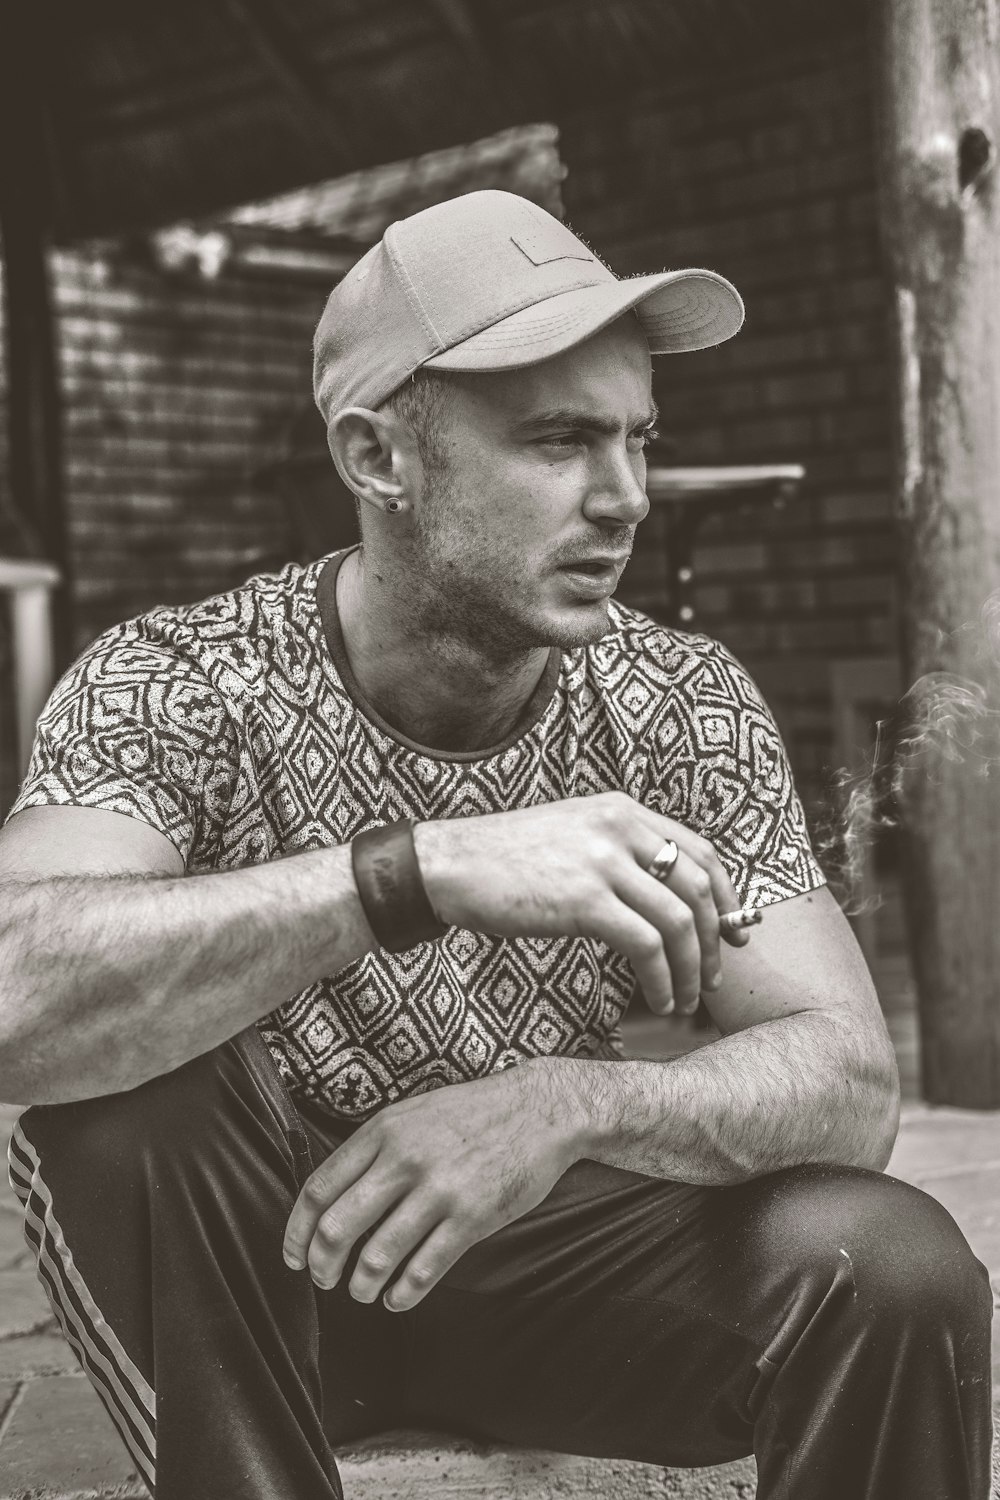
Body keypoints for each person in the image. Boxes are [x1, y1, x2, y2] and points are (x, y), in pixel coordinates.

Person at [0, 190, 991, 1500]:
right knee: (137, 1093)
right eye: (562, 440)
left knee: (897, 1267)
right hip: (251, 1280)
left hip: (536, 1254)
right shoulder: (183, 680)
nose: (627, 497)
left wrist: (565, 1104)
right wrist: (413, 871)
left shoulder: (675, 698)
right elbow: (17, 984)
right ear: (377, 458)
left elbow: (849, 1079)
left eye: (640, 439)